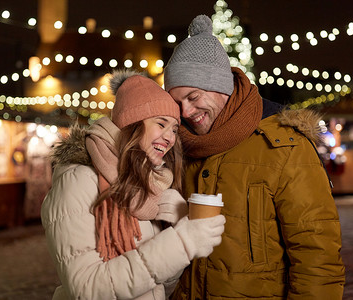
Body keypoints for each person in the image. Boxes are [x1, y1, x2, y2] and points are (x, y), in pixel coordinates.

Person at [163, 15, 345, 299]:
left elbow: (317, 257)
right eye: (177, 103)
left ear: (220, 85)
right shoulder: (179, 147)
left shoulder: (285, 146)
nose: (186, 112)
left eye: (193, 96)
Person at [41, 70, 226, 300]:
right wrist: (181, 243)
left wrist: (177, 227)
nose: (170, 138)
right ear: (133, 123)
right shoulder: (79, 180)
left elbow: (160, 287)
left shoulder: (149, 186)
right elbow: (86, 288)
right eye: (161, 124)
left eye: (174, 129)